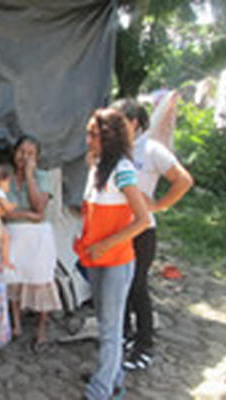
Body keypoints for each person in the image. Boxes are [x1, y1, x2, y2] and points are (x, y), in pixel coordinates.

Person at [74, 108, 150, 400]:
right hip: (96, 259)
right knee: (108, 325)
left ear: (108, 137)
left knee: (110, 328)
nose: (87, 139)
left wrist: (105, 244)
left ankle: (99, 391)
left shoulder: (122, 169)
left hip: (116, 261)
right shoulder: (97, 166)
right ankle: (112, 378)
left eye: (93, 134)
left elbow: (142, 219)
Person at [112, 98, 193, 371]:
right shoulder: (114, 150)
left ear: (134, 123)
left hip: (141, 230)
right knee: (117, 286)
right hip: (115, 229)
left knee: (136, 286)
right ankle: (122, 336)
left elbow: (183, 180)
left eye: (118, 120)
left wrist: (158, 205)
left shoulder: (150, 150)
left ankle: (144, 346)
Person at [4, 135, 62, 345]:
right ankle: (16, 323)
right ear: (14, 153)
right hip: (13, 234)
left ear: (37, 158)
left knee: (41, 279)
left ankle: (42, 325)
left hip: (38, 237)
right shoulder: (5, 177)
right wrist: (27, 215)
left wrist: (29, 176)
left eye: (30, 154)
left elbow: (39, 207)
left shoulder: (42, 177)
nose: (25, 157)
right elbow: (4, 211)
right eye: (21, 152)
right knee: (13, 278)